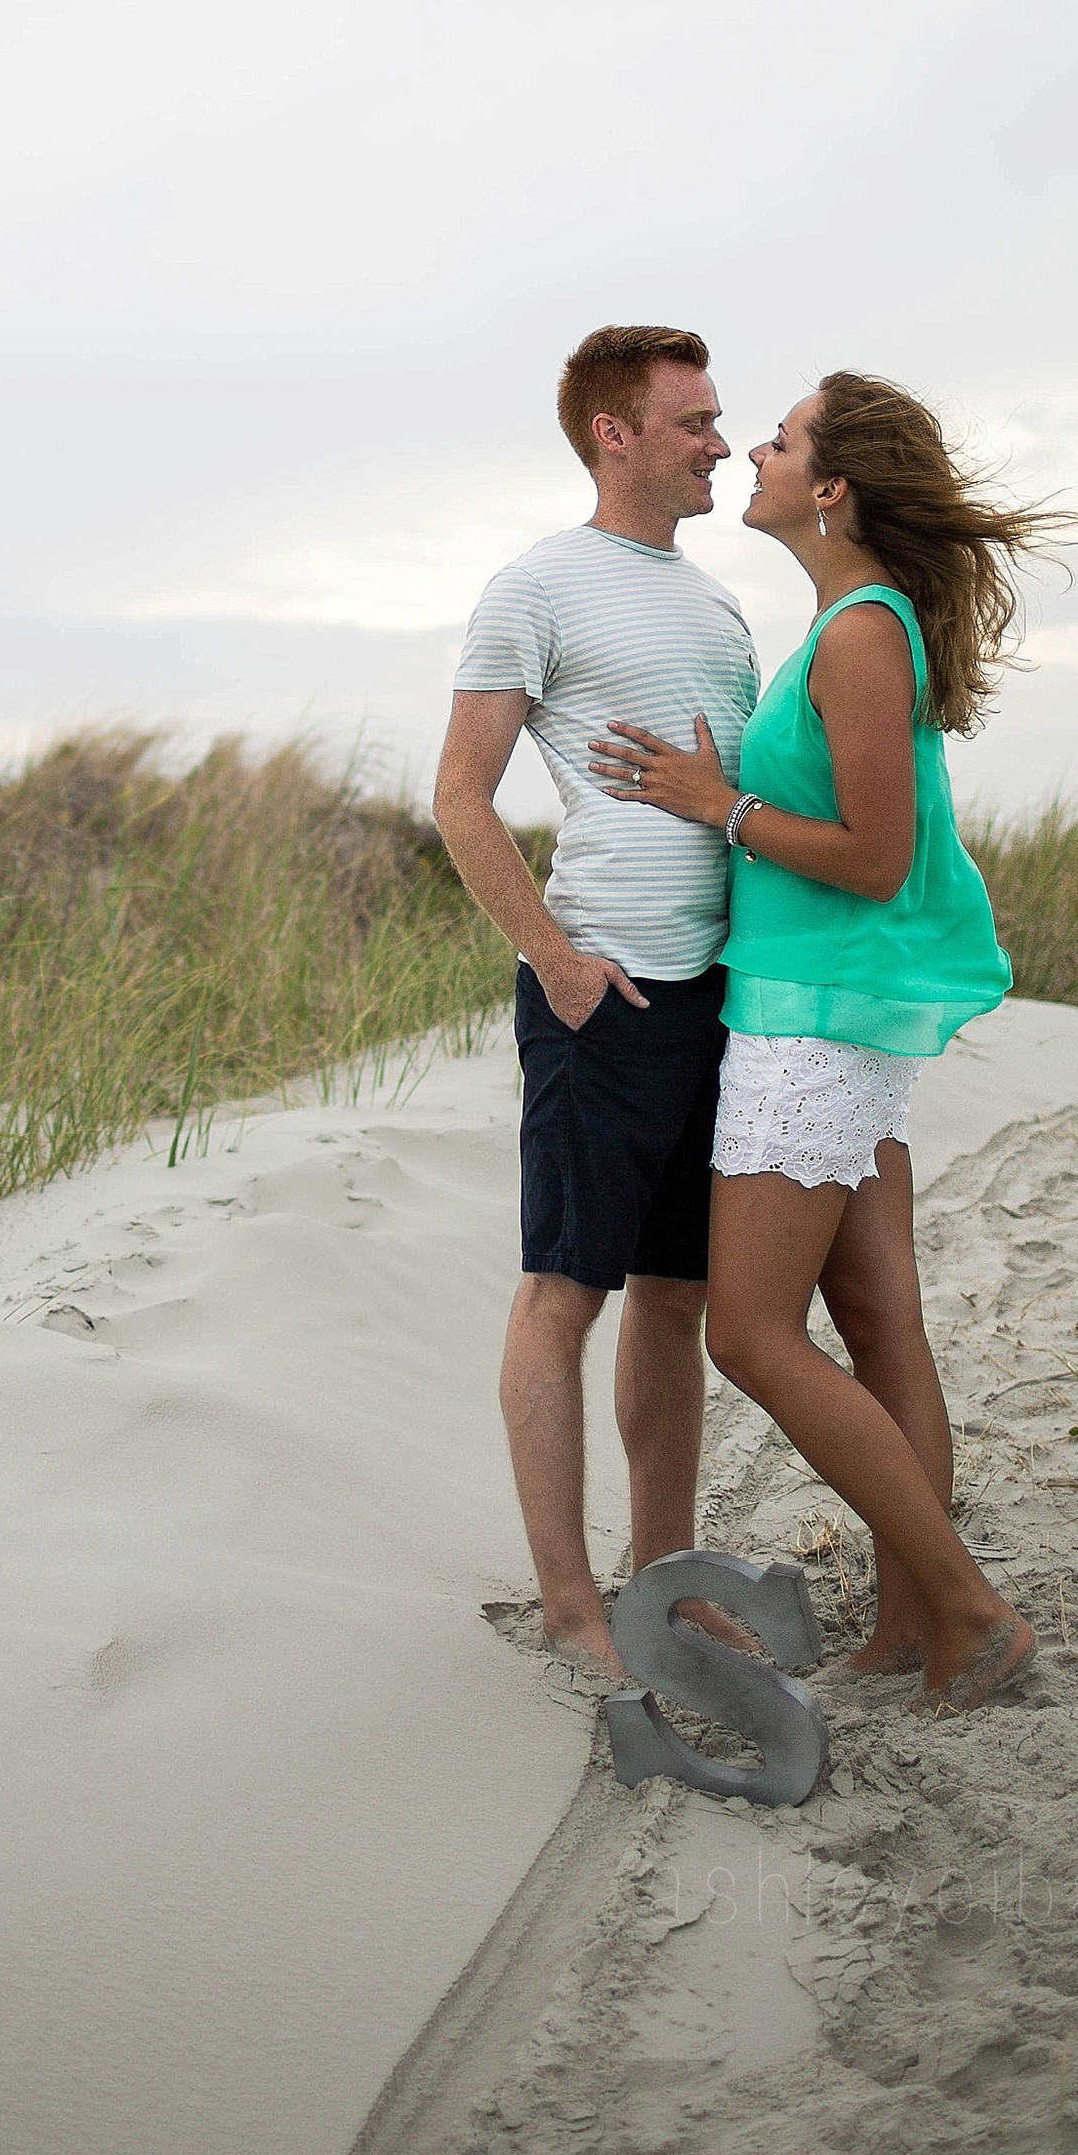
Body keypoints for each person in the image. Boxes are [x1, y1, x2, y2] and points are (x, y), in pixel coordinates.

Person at [589, 370, 1078, 1712]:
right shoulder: (848, 624)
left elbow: (874, 855)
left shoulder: (863, 633)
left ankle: (972, 1611)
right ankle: (918, 1627)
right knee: (876, 1319)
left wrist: (715, 801)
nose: (756, 446)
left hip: (811, 1022)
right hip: (834, 1013)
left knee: (749, 1331)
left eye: (785, 438)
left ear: (835, 486)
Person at [433, 323, 760, 1692]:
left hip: (719, 1001)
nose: (720, 444)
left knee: (678, 1300)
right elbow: (461, 790)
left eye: (720, 417)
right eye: (693, 421)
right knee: (566, 1289)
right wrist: (558, 962)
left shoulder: (721, 607)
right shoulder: (538, 585)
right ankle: (571, 1603)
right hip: (603, 992)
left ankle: (666, 1584)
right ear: (614, 432)